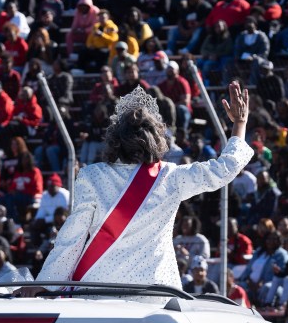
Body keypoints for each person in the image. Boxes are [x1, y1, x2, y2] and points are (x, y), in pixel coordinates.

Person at [36, 81, 253, 289]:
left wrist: (45, 284)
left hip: (97, 289)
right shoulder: (171, 177)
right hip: (155, 293)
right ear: (156, 138)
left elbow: (71, 236)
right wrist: (239, 124)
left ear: (115, 138)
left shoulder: (91, 176)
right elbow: (224, 168)